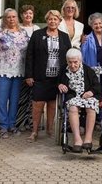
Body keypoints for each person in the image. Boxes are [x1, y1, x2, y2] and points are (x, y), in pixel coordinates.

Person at [24, 9, 72, 141]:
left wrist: (67, 76)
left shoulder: (64, 36)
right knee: (37, 104)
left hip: (57, 77)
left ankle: (50, 130)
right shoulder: (37, 34)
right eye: (50, 19)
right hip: (40, 75)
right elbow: (29, 55)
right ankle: (34, 131)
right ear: (47, 20)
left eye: (55, 19)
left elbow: (69, 56)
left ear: (59, 21)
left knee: (52, 104)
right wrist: (29, 75)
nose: (52, 21)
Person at [0, 8, 29, 138]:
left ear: (17, 18)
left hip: (19, 71)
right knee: (1, 100)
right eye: (8, 17)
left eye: (14, 17)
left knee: (15, 100)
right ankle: (3, 126)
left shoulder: (23, 32)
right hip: (2, 70)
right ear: (4, 19)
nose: (11, 19)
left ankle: (12, 125)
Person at [58, 48, 101, 153]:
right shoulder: (64, 70)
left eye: (75, 62)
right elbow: (57, 81)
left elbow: (97, 86)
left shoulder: (88, 71)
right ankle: (77, 139)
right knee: (72, 108)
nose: (72, 65)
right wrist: (60, 84)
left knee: (91, 107)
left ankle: (88, 139)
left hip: (87, 96)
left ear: (80, 61)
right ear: (67, 61)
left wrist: (91, 92)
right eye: (70, 62)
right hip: (73, 97)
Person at [15, 4, 40, 131]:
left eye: (30, 13)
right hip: (19, 65)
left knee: (33, 96)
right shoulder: (17, 28)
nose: (28, 15)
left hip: (34, 66)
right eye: (25, 13)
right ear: (21, 15)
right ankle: (20, 122)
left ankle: (32, 122)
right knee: (22, 95)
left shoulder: (37, 29)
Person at [81, 12, 102, 86]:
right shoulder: (87, 39)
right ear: (91, 26)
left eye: (100, 23)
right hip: (92, 71)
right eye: (95, 24)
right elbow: (83, 57)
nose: (98, 25)